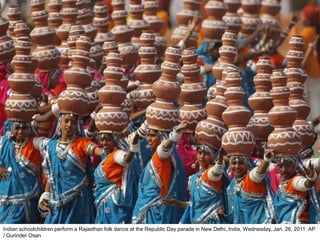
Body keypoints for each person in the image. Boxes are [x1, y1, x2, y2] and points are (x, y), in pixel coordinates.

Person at [36, 113, 105, 224]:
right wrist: (46, 195)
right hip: (56, 200)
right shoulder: (50, 146)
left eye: (73, 122)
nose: (69, 125)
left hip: (79, 199)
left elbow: (100, 152)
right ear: (60, 123)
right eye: (66, 121)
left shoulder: (82, 143)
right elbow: (51, 175)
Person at [132, 121, 188, 224]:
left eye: (153, 135)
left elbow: (164, 148)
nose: (148, 139)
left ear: (162, 138)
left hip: (155, 211)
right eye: (148, 135)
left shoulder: (161, 157)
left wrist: (173, 137)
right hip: (152, 209)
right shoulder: (158, 157)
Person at [93, 130, 141, 224]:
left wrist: (133, 148)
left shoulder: (117, 154)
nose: (104, 143)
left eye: (108, 140)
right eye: (102, 140)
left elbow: (126, 159)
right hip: (104, 201)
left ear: (115, 141)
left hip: (113, 202)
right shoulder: (107, 156)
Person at [0, 121, 43, 223]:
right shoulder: (4, 142)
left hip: (28, 196)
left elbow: (53, 146)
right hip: (5, 195)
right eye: (17, 128)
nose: (20, 132)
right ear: (11, 129)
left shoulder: (34, 142)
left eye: (24, 128)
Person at [178, 145, 229, 224]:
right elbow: (194, 204)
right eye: (199, 153)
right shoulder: (194, 178)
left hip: (212, 221)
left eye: (206, 154)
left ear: (214, 155)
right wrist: (177, 203)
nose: (202, 157)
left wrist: (220, 157)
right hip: (195, 220)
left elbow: (217, 170)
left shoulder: (212, 174)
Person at [225, 150, 276, 224]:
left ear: (247, 164)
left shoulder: (251, 178)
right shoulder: (233, 184)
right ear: (229, 165)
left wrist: (266, 160)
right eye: (234, 163)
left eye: (242, 163)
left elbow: (259, 173)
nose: (237, 166)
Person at [273, 155, 319, 223]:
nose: (284, 170)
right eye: (280, 166)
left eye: (288, 166)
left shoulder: (296, 180)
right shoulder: (284, 182)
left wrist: (310, 179)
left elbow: (305, 184)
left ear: (295, 167)